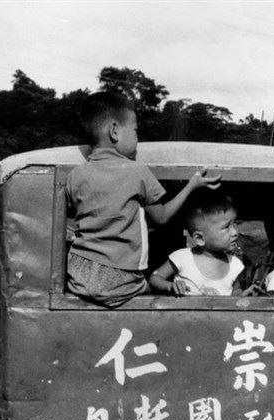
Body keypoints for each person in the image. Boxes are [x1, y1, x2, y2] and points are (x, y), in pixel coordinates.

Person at [66, 90, 221, 307]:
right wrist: (192, 185)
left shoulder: (75, 175)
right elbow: (162, 217)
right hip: (120, 281)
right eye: (135, 131)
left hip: (79, 276)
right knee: (158, 289)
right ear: (114, 131)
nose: (137, 140)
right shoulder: (137, 171)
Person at [148, 188, 245, 296]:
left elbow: (236, 295)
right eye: (226, 227)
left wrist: (245, 295)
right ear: (199, 238)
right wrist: (170, 286)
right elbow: (154, 278)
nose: (235, 232)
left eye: (235, 223)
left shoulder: (235, 265)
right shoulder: (183, 258)